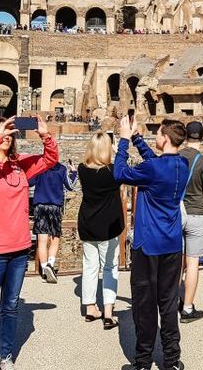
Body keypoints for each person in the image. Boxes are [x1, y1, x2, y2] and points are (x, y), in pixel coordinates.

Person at [0, 115, 58, 370]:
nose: (7, 135)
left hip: (18, 249)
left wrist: (45, 135)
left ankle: (6, 356)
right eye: (0, 132)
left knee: (10, 307)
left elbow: (50, 159)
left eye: (10, 132)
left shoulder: (19, 166)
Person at [114, 116, 187, 370]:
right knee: (167, 304)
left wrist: (124, 141)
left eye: (157, 134)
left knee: (144, 306)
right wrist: (137, 138)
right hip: (173, 244)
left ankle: (143, 362)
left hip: (148, 245)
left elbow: (119, 173)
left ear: (165, 138)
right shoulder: (183, 164)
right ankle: (172, 360)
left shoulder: (155, 169)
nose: (155, 137)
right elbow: (155, 163)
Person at [77, 131, 124, 328]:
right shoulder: (112, 172)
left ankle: (89, 307)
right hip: (108, 226)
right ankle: (108, 312)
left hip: (88, 223)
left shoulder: (82, 169)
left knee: (89, 267)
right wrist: (117, 150)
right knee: (109, 267)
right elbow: (124, 169)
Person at [178, 121, 203, 323]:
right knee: (192, 263)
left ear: (185, 137)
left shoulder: (177, 156)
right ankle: (188, 308)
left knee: (176, 262)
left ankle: (172, 300)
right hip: (197, 215)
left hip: (177, 215)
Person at [29, 161, 77, 282]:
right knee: (55, 237)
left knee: (42, 240)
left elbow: (29, 182)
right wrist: (74, 172)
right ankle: (50, 264)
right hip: (55, 206)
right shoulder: (61, 168)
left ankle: (45, 270)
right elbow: (70, 186)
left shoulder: (39, 166)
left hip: (40, 205)